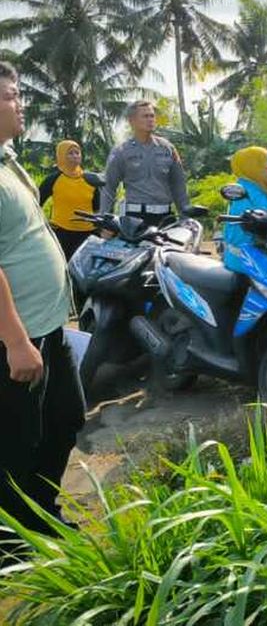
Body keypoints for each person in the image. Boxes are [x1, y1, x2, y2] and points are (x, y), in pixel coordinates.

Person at [0, 62, 85, 556]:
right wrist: (14, 341)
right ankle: (12, 545)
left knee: (65, 417)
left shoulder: (9, 159)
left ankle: (40, 511)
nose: (21, 103)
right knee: (15, 443)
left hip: (47, 326)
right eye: (12, 95)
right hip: (17, 337)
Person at [100, 100, 190, 227]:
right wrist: (106, 222)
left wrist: (186, 217)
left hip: (165, 218)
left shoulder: (168, 148)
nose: (150, 120)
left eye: (152, 116)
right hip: (134, 219)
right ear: (132, 121)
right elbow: (109, 188)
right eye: (145, 116)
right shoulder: (121, 151)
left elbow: (179, 185)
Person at [38, 140, 103, 260]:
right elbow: (36, 203)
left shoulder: (90, 179)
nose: (75, 156)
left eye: (77, 153)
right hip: (62, 233)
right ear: (61, 156)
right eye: (70, 153)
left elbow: (97, 208)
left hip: (88, 234)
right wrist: (43, 225)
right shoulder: (53, 180)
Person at [223, 145, 267, 258]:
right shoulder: (247, 192)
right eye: (266, 165)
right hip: (246, 258)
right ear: (253, 168)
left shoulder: (258, 187)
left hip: (256, 253)